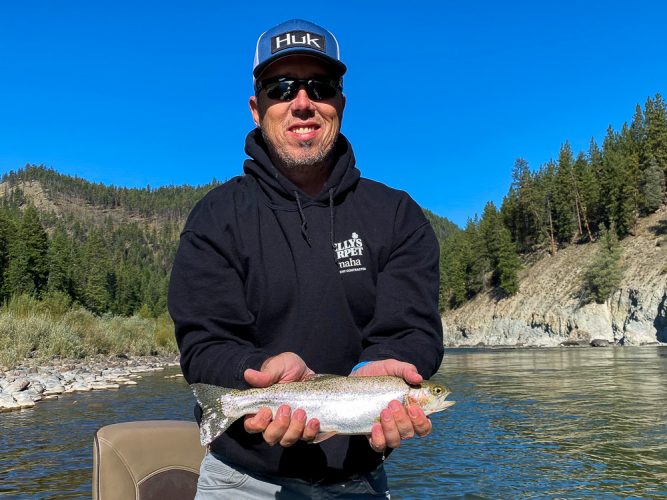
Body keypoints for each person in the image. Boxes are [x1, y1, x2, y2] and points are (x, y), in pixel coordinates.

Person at [168, 18, 444, 499]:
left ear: (340, 103)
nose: (302, 102)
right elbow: (204, 343)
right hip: (240, 480)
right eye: (281, 88)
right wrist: (254, 369)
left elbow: (413, 330)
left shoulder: (397, 216)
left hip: (361, 480)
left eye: (320, 87)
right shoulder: (216, 218)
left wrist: (385, 367)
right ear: (257, 108)